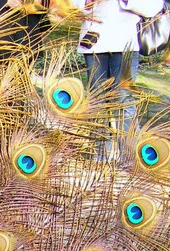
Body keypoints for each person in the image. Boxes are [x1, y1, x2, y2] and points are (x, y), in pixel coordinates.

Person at [69, 0, 164, 157]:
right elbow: (71, 4)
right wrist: (85, 3)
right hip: (93, 41)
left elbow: (154, 6)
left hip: (125, 41)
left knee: (123, 98)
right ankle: (99, 151)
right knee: (96, 98)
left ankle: (130, 155)